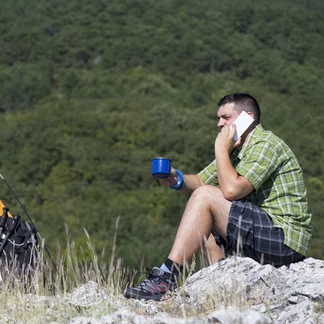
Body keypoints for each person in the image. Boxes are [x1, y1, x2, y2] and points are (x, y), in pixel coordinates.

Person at [124, 93, 312, 301]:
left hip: (284, 240)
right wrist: (175, 179)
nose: (219, 124)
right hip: (263, 232)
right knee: (203, 201)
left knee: (206, 197)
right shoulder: (235, 150)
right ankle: (221, 281)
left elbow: (232, 190)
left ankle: (165, 277)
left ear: (247, 117)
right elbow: (200, 182)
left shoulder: (265, 144)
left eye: (226, 117)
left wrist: (220, 148)